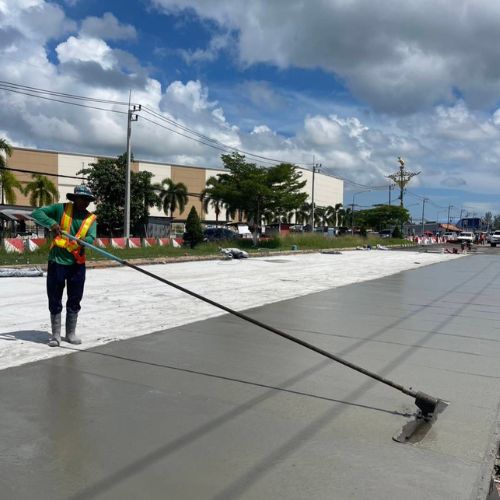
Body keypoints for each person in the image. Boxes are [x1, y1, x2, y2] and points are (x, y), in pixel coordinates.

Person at [31, 185, 97, 347]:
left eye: (88, 200)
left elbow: (91, 237)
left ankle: (70, 333)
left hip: (77, 264)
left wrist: (85, 241)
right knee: (55, 298)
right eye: (82, 199)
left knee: (75, 298)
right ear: (74, 198)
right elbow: (36, 213)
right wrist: (51, 223)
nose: (85, 202)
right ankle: (55, 335)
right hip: (57, 262)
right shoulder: (60, 209)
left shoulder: (91, 219)